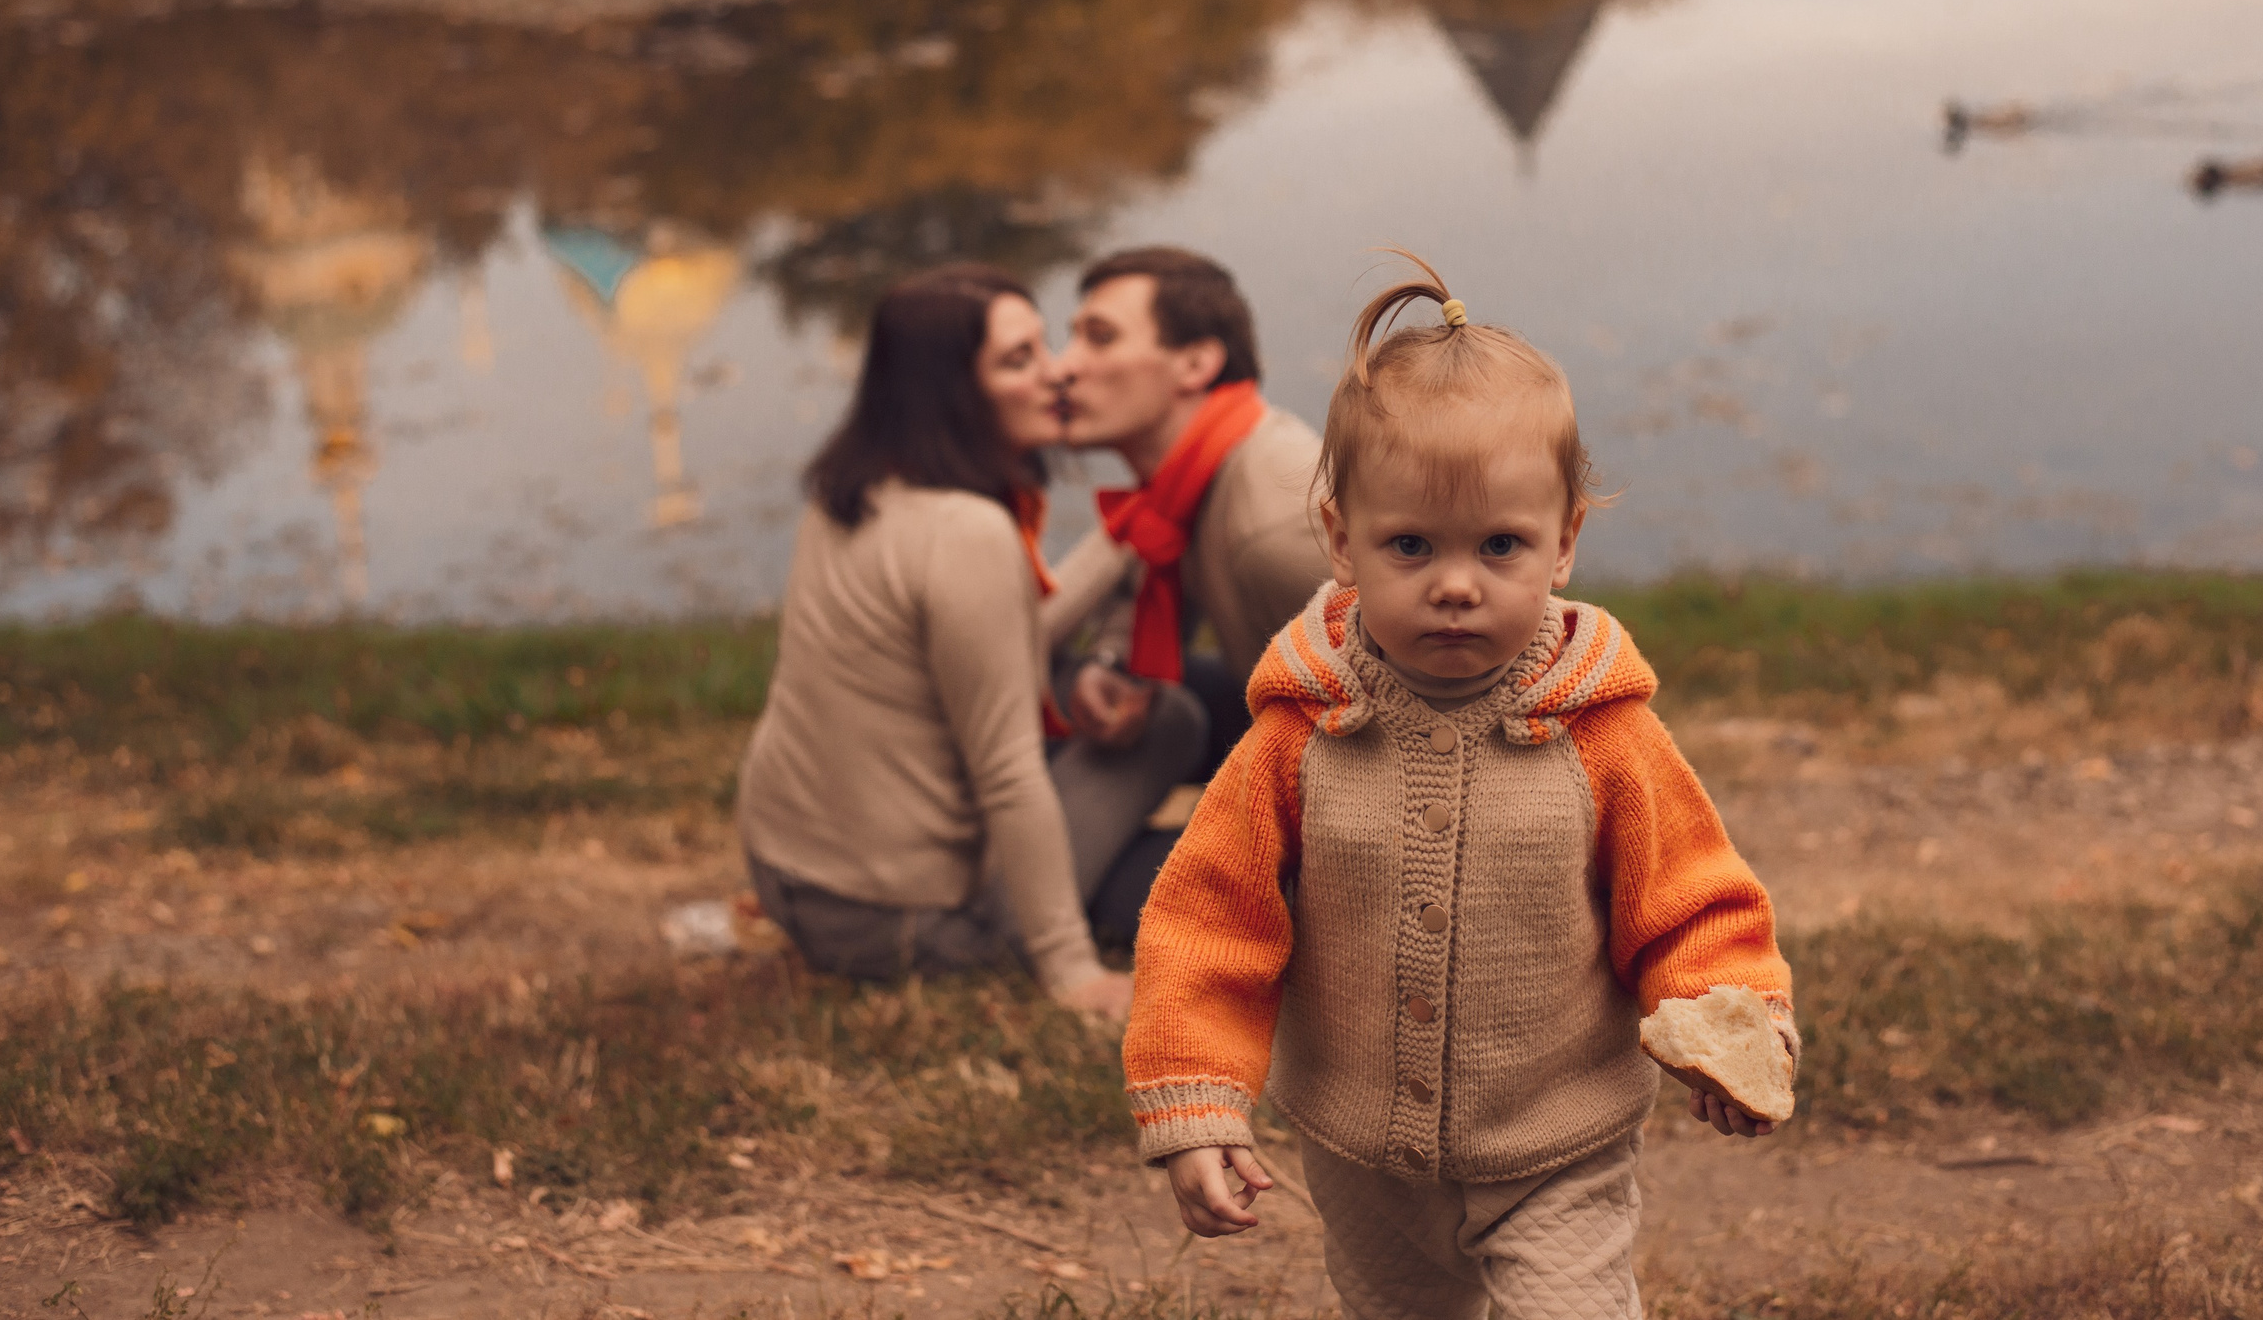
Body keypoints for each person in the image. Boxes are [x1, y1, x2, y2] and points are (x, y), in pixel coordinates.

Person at [1120, 252, 1797, 1319]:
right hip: (1360, 1150)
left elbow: (1689, 899)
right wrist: (1197, 1100)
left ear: (1564, 539)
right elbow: (1212, 920)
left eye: (1499, 544)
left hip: (1555, 1141)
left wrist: (1729, 1016)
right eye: (1408, 544)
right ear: (1340, 539)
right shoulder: (1298, 738)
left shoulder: (1603, 735)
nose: (1453, 581)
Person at [734, 265, 1133, 1024]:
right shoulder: (967, 531)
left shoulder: (855, 488)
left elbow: (990, 650)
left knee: (1124, 747)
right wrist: (1073, 969)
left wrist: (1122, 538)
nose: (1056, 372)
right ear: (950, 391)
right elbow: (1009, 768)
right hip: (890, 919)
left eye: (1042, 344)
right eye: (1019, 360)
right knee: (1169, 727)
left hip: (785, 868)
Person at [1044, 249, 1335, 865]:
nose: (1062, 368)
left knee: (1129, 885)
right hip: (1288, 727)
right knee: (1072, 684)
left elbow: (1420, 716)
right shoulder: (1183, 485)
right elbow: (1146, 579)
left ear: (1197, 363)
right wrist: (1111, 662)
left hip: (1360, 807)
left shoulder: (1279, 533)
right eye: (1071, 338)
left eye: (1100, 339)